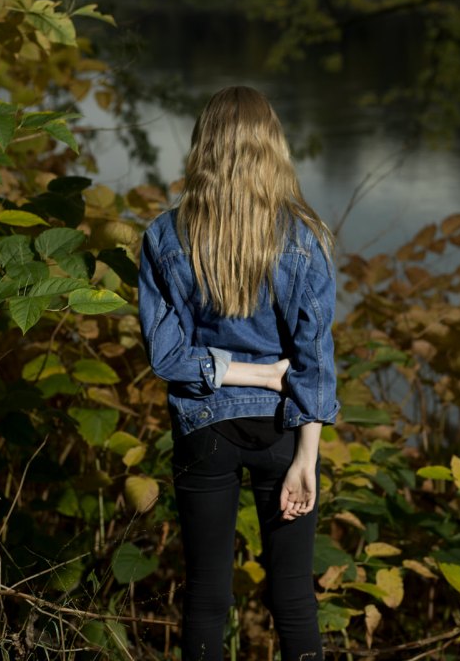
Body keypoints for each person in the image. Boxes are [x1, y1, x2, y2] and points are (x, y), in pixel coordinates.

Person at [138, 85, 339, 661]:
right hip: (283, 431)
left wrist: (240, 374)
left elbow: (168, 357)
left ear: (204, 147)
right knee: (295, 597)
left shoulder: (165, 234)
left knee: (205, 597)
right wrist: (306, 455)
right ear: (272, 147)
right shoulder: (305, 238)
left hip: (203, 431)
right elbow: (315, 361)